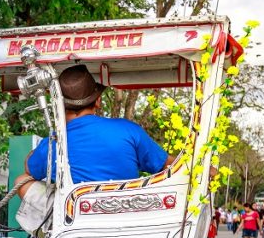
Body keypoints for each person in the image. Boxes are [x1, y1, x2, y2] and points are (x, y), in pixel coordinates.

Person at [16, 65, 171, 196]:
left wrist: (38, 151)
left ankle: (50, 230)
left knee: (21, 181)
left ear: (59, 105)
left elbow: (29, 169)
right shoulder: (129, 130)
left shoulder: (52, 143)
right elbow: (167, 164)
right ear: (97, 101)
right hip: (126, 214)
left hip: (74, 217)